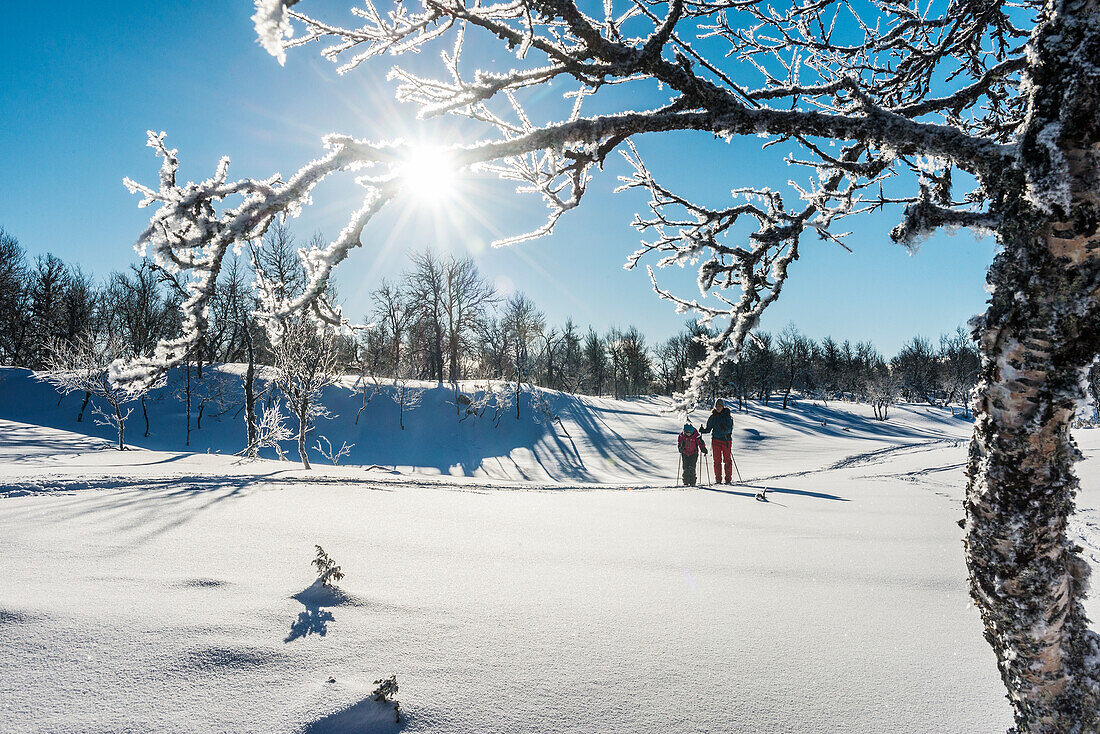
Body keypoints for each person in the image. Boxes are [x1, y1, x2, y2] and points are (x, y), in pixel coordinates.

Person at [700, 399, 734, 484]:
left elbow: (730, 428)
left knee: (727, 460)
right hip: (716, 440)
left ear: (723, 406)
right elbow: (708, 429)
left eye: (720, 406)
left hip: (726, 440)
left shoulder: (728, 416)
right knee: (717, 460)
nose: (718, 407)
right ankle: (718, 479)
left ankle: (728, 479)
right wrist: (703, 430)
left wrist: (725, 429)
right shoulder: (712, 417)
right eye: (717, 406)